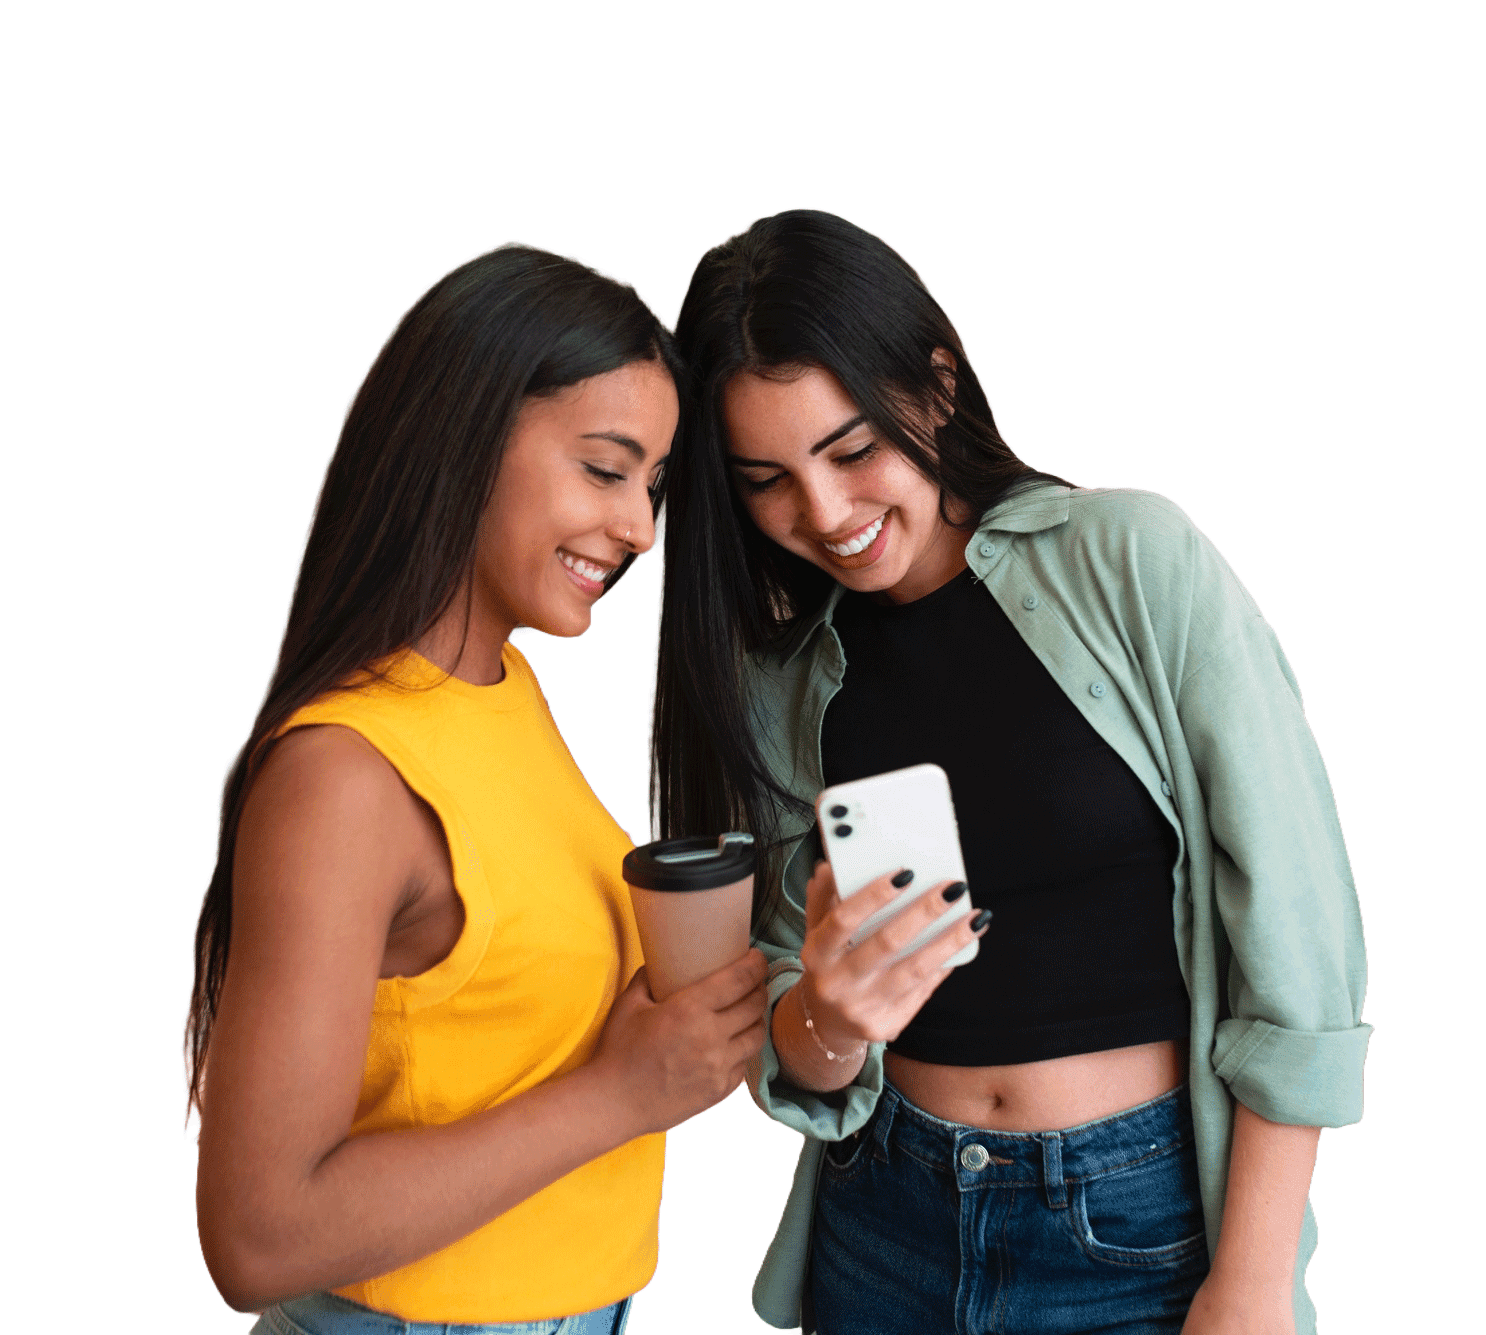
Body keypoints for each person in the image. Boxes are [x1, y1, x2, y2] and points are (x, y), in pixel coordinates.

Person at [651, 209, 1370, 1335]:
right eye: (765, 480)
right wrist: (830, 1016)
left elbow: (1298, 931)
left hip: (1139, 1232)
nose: (825, 514)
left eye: (851, 451)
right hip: (882, 1224)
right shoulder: (774, 677)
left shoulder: (1133, 560)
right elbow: (792, 1045)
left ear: (936, 384)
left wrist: (1254, 1279)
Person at [183, 243, 768, 1335]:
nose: (642, 529)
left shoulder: (502, 689)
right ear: (463, 436)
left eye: (654, 487)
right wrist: (623, 1095)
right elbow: (257, 1239)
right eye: (605, 470)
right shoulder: (346, 776)